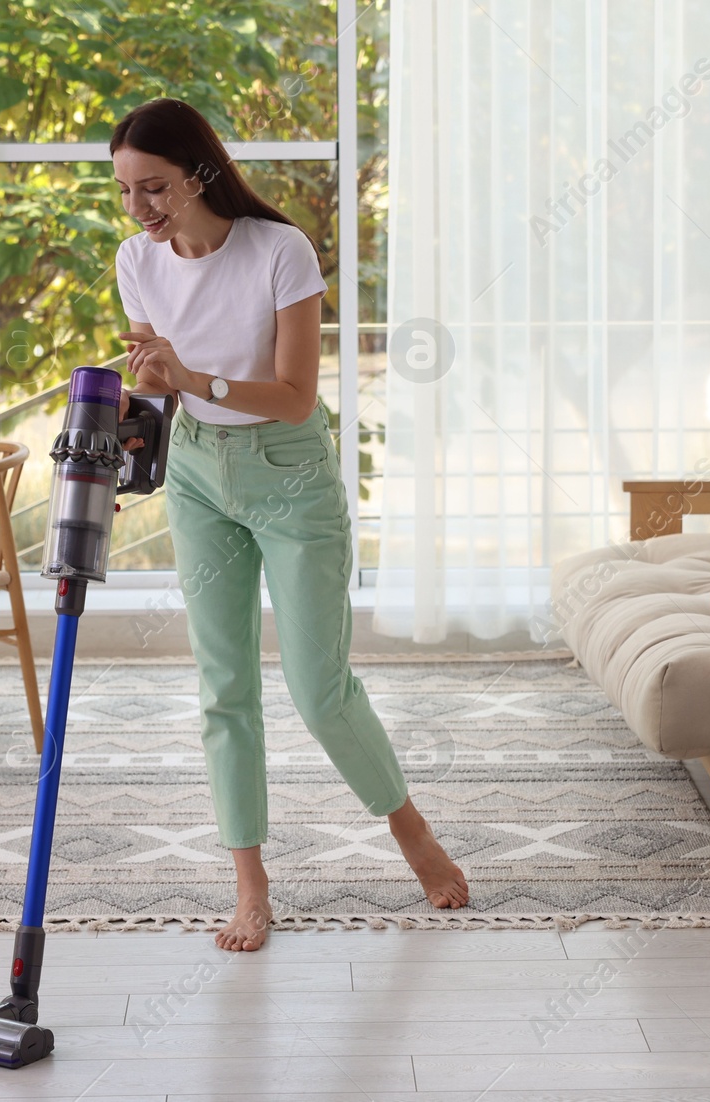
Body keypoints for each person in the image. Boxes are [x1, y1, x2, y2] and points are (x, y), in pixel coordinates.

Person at [109, 98, 469, 952]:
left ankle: (411, 832)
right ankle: (250, 882)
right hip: (198, 473)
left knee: (318, 686)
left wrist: (193, 377)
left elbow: (296, 393)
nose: (139, 211)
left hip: (290, 473)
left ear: (198, 172)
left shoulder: (282, 251)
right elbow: (163, 381)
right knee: (223, 687)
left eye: (152, 188)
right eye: (125, 192)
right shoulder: (137, 262)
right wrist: (140, 401)